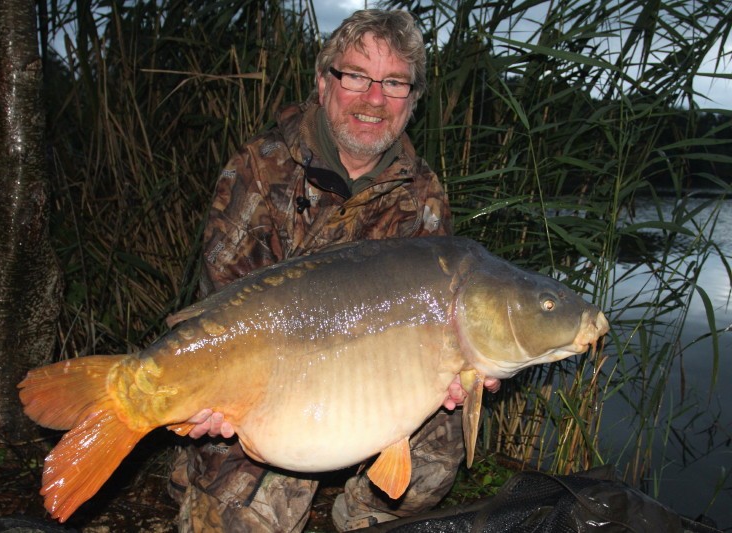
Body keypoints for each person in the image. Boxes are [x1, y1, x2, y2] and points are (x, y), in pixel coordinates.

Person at [168, 9, 499, 532]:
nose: (374, 99)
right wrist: (209, 394)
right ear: (324, 84)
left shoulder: (422, 194)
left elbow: (434, 315)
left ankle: (366, 513)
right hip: (270, 381)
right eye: (357, 77)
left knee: (445, 431)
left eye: (394, 83)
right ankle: (193, 474)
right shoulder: (258, 171)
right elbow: (224, 310)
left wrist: (462, 365)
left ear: (412, 101)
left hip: (369, 375)